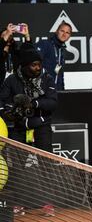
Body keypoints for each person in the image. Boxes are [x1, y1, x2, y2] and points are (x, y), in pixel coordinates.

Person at [0, 43, 57, 216]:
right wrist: (10, 112)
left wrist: (34, 103)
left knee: (46, 164)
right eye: (33, 65)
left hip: (41, 127)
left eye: (39, 64)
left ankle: (48, 204)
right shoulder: (11, 80)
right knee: (17, 166)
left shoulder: (46, 78)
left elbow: (53, 102)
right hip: (18, 128)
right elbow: (2, 103)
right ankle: (19, 203)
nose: (37, 68)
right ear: (24, 66)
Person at [35, 22, 72, 91]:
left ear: (69, 36)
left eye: (67, 33)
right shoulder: (45, 44)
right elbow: (34, 63)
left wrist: (62, 92)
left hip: (55, 92)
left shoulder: (62, 51)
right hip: (42, 91)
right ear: (56, 31)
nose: (64, 34)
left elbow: (59, 74)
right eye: (62, 31)